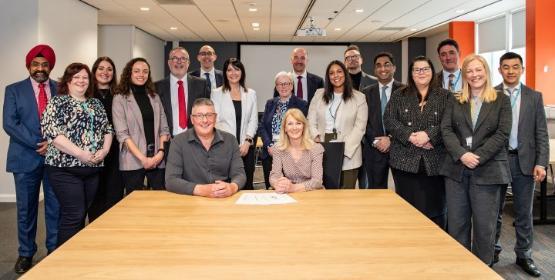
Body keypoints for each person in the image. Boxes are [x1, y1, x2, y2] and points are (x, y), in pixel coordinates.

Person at [441, 54, 512, 265]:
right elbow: (446, 129)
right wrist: (462, 154)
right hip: (456, 171)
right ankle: (461, 269)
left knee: (484, 227)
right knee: (457, 225)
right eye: (469, 71)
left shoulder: (501, 99)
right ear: (464, 74)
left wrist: (477, 157)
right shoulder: (454, 99)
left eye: (478, 70)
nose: (474, 75)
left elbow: (502, 133)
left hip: (488, 171)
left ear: (486, 71)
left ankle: (483, 269)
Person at [41, 63, 113, 247]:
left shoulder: (95, 103)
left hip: (92, 169)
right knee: (74, 214)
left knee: (82, 214)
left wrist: (104, 151)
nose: (81, 81)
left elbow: (107, 129)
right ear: (68, 80)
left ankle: (76, 255)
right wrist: (80, 154)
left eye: (85, 77)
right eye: (76, 77)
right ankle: (60, 263)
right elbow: (53, 135)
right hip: (64, 168)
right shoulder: (57, 102)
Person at [3, 44, 60, 274]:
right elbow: (10, 123)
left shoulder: (60, 88)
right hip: (25, 157)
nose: (40, 68)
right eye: (35, 64)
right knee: (26, 208)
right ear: (29, 66)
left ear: (50, 67)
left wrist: (53, 143)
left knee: (55, 206)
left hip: (55, 158)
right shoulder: (13, 90)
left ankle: (54, 249)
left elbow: (67, 121)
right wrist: (39, 143)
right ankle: (26, 253)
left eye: (44, 65)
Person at [492, 52, 547, 277]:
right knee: (493, 211)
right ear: (499, 70)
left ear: (522, 69)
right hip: (496, 161)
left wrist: (541, 163)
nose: (511, 71)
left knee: (524, 212)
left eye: (516, 67)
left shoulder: (534, 97)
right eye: (506, 67)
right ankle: (491, 251)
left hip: (524, 161)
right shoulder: (490, 94)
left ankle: (524, 254)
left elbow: (541, 133)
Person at [384, 56, 450, 228]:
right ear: (411, 74)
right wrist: (410, 136)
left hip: (435, 162)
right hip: (404, 162)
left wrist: (429, 136)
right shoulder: (399, 95)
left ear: (432, 72)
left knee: (435, 209)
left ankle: (436, 245)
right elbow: (389, 120)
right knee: (408, 208)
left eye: (425, 69)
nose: (421, 73)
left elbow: (450, 123)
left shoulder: (445, 96)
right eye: (417, 69)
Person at [166, 98, 246, 197]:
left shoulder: (230, 140)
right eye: (199, 116)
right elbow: (171, 180)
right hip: (190, 201)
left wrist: (232, 187)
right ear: (192, 119)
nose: (205, 120)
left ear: (215, 118)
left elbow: (240, 174)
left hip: (223, 200)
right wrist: (200, 190)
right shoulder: (178, 142)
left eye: (209, 115)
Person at [113, 58, 170, 194]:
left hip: (157, 158)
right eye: (137, 71)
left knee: (160, 201)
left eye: (145, 71)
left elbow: (164, 129)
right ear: (129, 73)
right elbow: (122, 135)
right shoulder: (120, 98)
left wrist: (160, 154)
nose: (141, 74)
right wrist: (143, 159)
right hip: (133, 160)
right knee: (134, 205)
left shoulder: (154, 97)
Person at [308, 60, 368, 188]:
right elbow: (310, 121)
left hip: (349, 151)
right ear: (328, 77)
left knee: (346, 197)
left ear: (345, 74)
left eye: (339, 71)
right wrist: (316, 138)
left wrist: (342, 151)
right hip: (322, 147)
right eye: (331, 73)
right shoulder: (319, 94)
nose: (336, 75)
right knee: (324, 193)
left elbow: (360, 127)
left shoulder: (359, 97)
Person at [211, 58, 258, 190]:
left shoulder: (251, 93)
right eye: (229, 70)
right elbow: (216, 121)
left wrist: (247, 142)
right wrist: (232, 144)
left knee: (246, 184)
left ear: (242, 72)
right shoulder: (217, 93)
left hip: (246, 148)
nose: (233, 73)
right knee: (226, 184)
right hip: (224, 147)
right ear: (225, 73)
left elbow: (253, 120)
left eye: (236, 69)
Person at [87, 56, 124, 222]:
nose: (105, 72)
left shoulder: (120, 95)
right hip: (91, 153)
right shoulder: (85, 94)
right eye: (101, 68)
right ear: (94, 71)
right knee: (94, 196)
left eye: (109, 69)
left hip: (116, 152)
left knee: (114, 195)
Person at [361, 52, 404, 189]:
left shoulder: (406, 91)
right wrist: (376, 141)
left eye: (387, 65)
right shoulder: (366, 93)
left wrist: (391, 139)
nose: (383, 69)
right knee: (376, 192)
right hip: (374, 150)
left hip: (400, 148)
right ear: (375, 70)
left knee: (404, 190)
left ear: (394, 68)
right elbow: (363, 122)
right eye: (378, 66)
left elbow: (408, 120)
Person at [260, 72, 308, 189]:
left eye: (286, 83)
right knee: (272, 187)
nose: (283, 87)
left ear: (292, 86)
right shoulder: (270, 103)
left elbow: (304, 128)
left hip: (291, 153)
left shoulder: (301, 104)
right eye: (280, 84)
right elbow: (262, 127)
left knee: (289, 187)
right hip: (270, 152)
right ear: (276, 87)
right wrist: (269, 145)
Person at [155, 47, 210, 137]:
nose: (179, 61)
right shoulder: (157, 87)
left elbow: (207, 113)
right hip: (168, 141)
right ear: (169, 63)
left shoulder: (201, 84)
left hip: (195, 139)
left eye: (183, 59)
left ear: (188, 63)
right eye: (175, 58)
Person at [270, 108, 324, 193]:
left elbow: (317, 182)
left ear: (304, 126)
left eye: (298, 123)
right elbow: (274, 176)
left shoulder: (315, 148)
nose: (294, 128)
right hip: (288, 193)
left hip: (312, 194)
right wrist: (278, 184)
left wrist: (293, 188)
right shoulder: (278, 149)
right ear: (285, 128)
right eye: (290, 124)